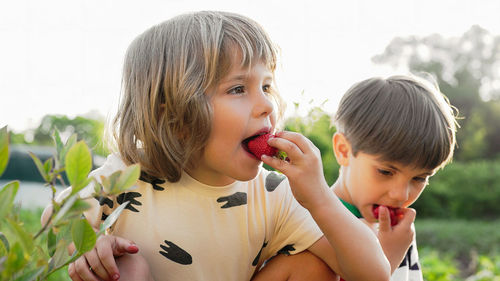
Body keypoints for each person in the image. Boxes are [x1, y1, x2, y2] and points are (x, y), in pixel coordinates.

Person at [41, 11, 391, 281]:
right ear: (175, 114)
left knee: (310, 267)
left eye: (267, 87)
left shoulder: (273, 192)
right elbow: (57, 220)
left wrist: (320, 197)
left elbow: (373, 274)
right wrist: (86, 245)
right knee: (127, 266)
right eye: (238, 89)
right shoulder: (127, 175)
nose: (267, 105)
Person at [284, 75, 457, 280]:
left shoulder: (397, 233)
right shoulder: (312, 224)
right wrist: (387, 257)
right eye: (385, 172)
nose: (400, 195)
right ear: (343, 150)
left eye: (419, 178)